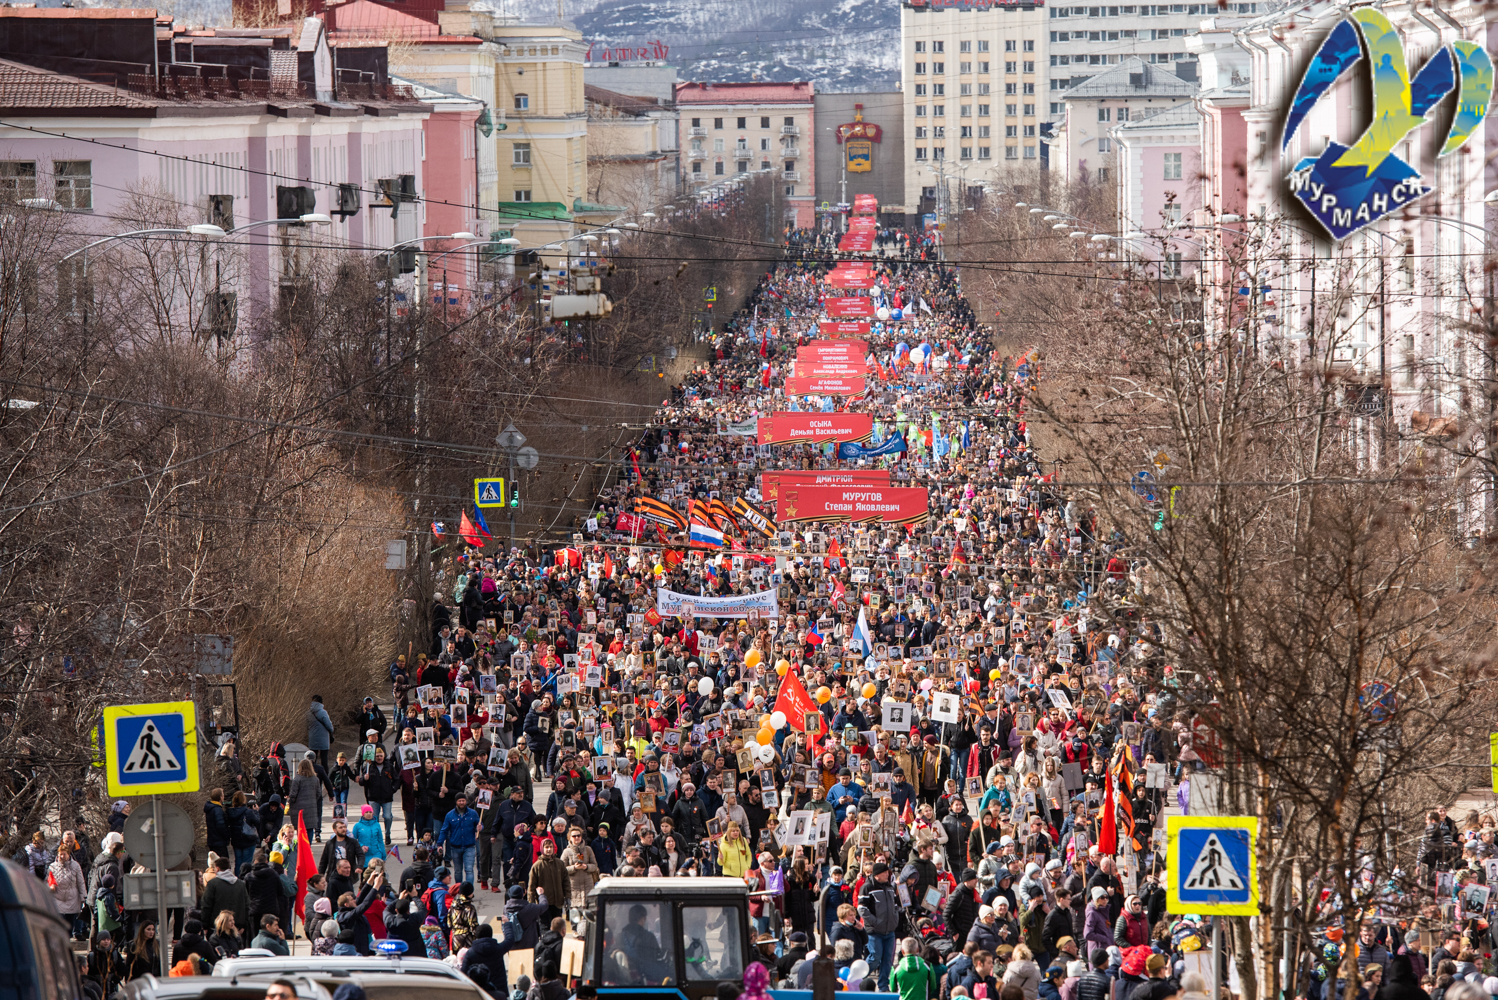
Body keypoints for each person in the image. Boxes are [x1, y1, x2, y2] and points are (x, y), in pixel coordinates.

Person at [437, 793, 482, 886]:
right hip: (455, 847)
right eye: (459, 801)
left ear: (466, 801)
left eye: (463, 800)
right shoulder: (449, 815)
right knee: (458, 871)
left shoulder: (473, 813)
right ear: (456, 802)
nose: (461, 802)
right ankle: (459, 890)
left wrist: (480, 828)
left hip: (469, 846)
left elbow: (479, 824)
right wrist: (439, 844)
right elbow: (444, 830)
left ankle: (469, 892)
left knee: (469, 870)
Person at [307, 695, 335, 771]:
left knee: (312, 759)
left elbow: (307, 725)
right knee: (324, 760)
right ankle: (325, 777)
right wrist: (332, 731)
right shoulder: (323, 712)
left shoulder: (308, 713)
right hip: (323, 739)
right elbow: (329, 725)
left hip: (312, 738)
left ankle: (312, 775)